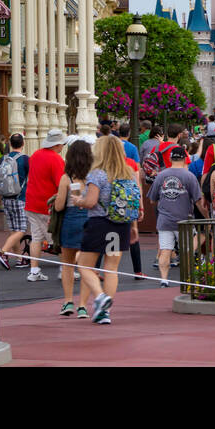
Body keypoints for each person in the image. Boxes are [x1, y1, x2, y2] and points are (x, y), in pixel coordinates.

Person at [78, 134, 138, 324]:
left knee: (84, 266)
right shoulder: (128, 172)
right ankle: (105, 311)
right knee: (111, 268)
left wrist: (79, 200)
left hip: (99, 224)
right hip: (120, 225)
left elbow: (91, 202)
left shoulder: (97, 174)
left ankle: (99, 296)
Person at [151, 145, 202, 285]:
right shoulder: (189, 176)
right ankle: (187, 276)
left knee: (165, 250)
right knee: (190, 245)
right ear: (185, 159)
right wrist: (205, 214)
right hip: (184, 219)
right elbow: (198, 200)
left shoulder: (161, 175)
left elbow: (152, 199)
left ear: (170, 158)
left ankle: (164, 279)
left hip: (165, 219)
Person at [54, 139, 94, 316]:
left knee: (67, 264)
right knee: (87, 266)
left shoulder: (66, 178)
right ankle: (83, 305)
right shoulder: (94, 177)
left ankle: (68, 301)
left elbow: (59, 206)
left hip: (70, 221)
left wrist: (56, 198)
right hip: (89, 221)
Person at [24, 128, 67, 281]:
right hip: (47, 205)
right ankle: (64, 270)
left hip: (31, 202)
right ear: (57, 145)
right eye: (62, 144)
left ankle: (34, 270)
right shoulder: (56, 159)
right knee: (58, 238)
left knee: (36, 237)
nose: (63, 147)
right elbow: (60, 183)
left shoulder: (35, 155)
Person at [0, 134, 31, 269]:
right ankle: (3, 251)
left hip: (6, 198)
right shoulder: (25, 159)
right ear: (23, 144)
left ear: (10, 144)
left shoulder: (5, 159)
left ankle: (19, 259)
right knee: (21, 230)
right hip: (20, 198)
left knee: (13, 230)